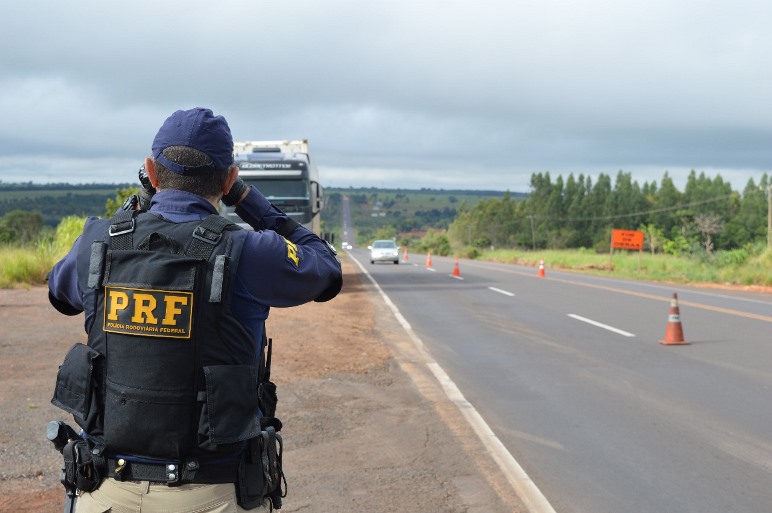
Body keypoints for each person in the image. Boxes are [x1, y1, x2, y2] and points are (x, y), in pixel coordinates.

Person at [47, 107, 342, 512]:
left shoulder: (96, 243)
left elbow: (59, 294)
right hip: (212, 495)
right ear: (229, 180)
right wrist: (249, 203)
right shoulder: (249, 251)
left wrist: (134, 211)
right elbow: (325, 269)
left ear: (151, 172)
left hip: (105, 492)